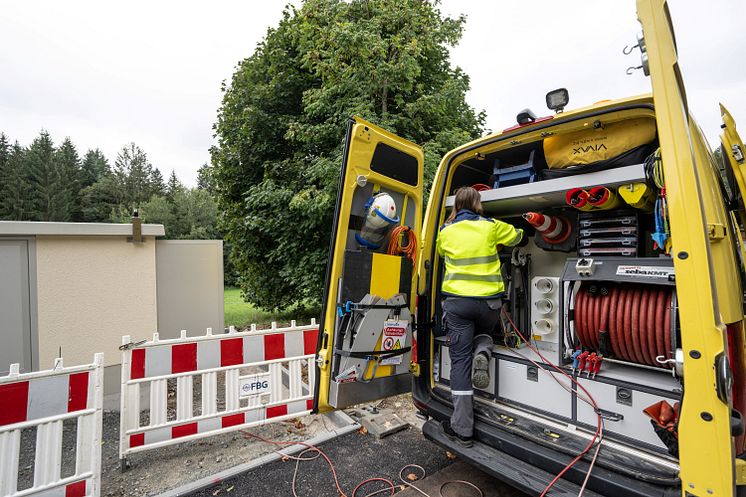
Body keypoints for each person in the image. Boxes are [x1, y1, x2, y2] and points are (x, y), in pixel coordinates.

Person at [436, 186, 524, 447]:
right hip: (489, 305)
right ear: (477, 204)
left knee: (460, 361)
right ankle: (483, 351)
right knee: (484, 334)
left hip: (458, 306)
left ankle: (462, 429)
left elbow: (441, 253)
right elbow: (519, 237)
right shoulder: (491, 226)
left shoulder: (445, 230)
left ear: (456, 206)